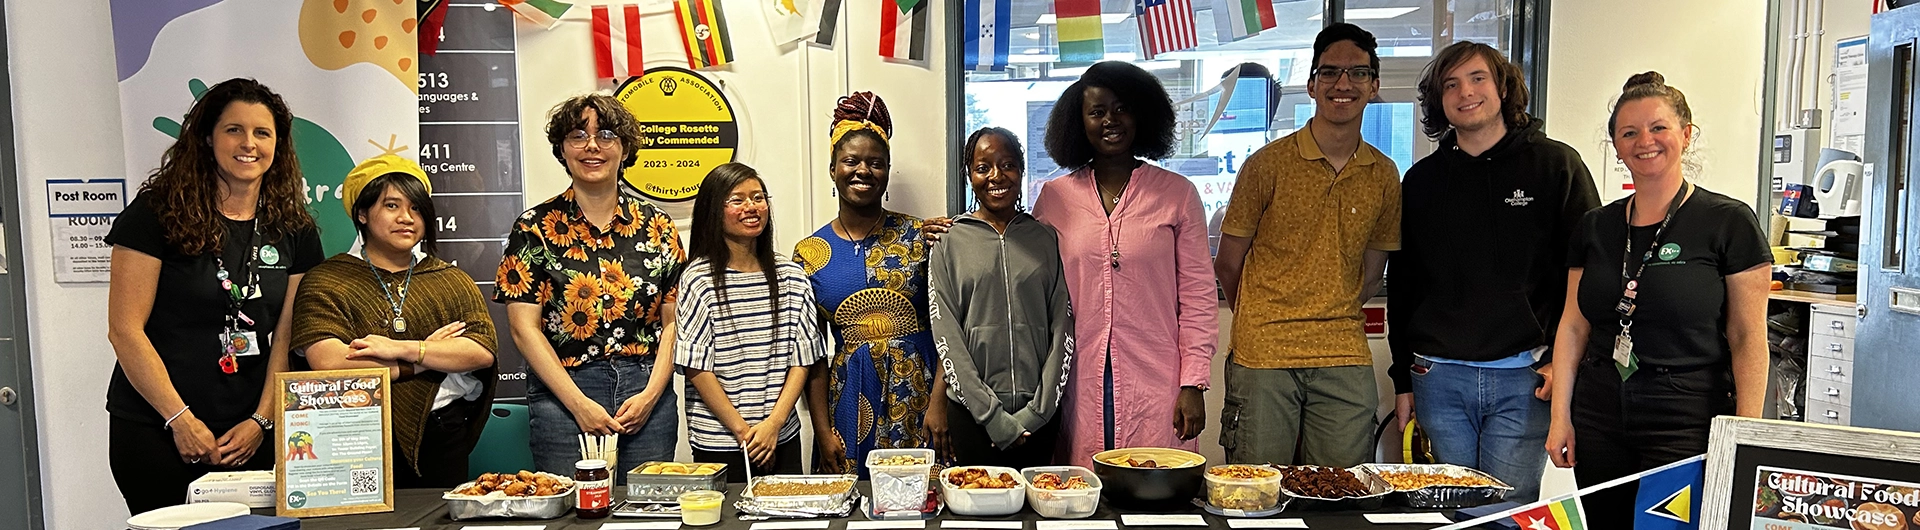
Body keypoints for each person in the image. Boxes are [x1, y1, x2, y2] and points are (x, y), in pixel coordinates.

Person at [1544, 72, 1770, 525]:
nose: (1644, 141)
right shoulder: (1595, 227)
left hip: (1686, 415)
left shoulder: (1727, 222)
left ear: (1686, 135)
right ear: (1616, 145)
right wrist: (1559, 417)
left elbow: (1748, 336)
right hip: (1601, 410)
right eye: (1629, 132)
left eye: (1658, 127)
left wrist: (1746, 434)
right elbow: (1573, 325)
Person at [1386, 41, 1599, 502]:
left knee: (1508, 510)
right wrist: (1403, 380)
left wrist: (1562, 365)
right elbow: (1403, 287)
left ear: (1502, 86)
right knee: (1451, 512)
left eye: (1477, 78)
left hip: (1526, 379)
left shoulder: (1556, 166)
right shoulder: (1421, 182)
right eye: (1451, 84)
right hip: (1438, 378)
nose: (1466, 92)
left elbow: (1588, 276)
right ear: (1440, 101)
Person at [104, 78, 323, 513]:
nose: (249, 144)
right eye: (234, 130)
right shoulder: (155, 214)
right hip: (158, 428)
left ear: (278, 145)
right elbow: (124, 330)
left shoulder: (295, 228)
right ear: (207, 137)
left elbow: (287, 334)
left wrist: (263, 420)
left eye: (263, 133)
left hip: (252, 432)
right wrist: (179, 419)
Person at [1213, 24, 1400, 468]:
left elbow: (1372, 273)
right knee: (1256, 490)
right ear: (1311, 84)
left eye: (1357, 73)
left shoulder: (1383, 175)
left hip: (1343, 352)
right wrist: (1263, 315)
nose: (1343, 84)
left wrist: (1328, 308)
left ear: (1374, 85)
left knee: (1343, 490)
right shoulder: (1267, 165)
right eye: (1330, 72)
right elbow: (1228, 263)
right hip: (1264, 355)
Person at [1031, 61, 1216, 468]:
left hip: (1158, 377)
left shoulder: (1177, 195)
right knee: (1083, 492)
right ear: (1079, 122)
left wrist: (1194, 383)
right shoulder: (1054, 198)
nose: (1110, 121)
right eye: (1097, 112)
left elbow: (1199, 298)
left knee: (1155, 486)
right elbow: (1027, 281)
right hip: (1077, 374)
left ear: (1142, 114)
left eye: (1121, 109)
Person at [496, 94, 684, 479]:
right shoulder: (533, 227)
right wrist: (577, 403)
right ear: (562, 149)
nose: (592, 145)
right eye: (578, 135)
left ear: (625, 148)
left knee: (648, 515)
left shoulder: (659, 226)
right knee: (573, 515)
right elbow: (523, 328)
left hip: (645, 390)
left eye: (607, 134)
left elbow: (674, 324)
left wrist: (650, 396)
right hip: (563, 394)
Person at [293, 154, 499, 488]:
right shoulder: (326, 280)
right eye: (391, 206)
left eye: (416, 208)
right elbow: (329, 363)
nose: (407, 218)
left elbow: (480, 350)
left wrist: (399, 348)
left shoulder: (450, 279)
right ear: (362, 213)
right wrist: (424, 360)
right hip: (351, 435)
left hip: (442, 434)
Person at [796, 92, 951, 474]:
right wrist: (822, 428)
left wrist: (941, 403)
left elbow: (951, 329)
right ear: (832, 169)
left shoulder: (921, 237)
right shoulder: (810, 252)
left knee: (920, 506)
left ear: (887, 170)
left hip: (920, 394)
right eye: (850, 161)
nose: (863, 170)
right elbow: (812, 355)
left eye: (875, 163)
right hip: (848, 399)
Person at [927, 127, 1073, 467]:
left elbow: (1062, 328)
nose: (996, 176)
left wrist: (1037, 413)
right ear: (970, 175)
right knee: (978, 518)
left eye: (1007, 164)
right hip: (973, 419)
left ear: (1021, 170)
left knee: (1037, 516)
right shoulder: (948, 242)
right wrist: (992, 417)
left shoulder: (1045, 239)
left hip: (1039, 419)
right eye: (983, 167)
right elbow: (947, 335)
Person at [675, 163, 825, 483]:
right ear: (715, 210)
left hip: (780, 437)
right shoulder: (697, 278)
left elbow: (803, 361)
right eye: (737, 199)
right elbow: (697, 368)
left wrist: (773, 425)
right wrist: (744, 432)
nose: (751, 207)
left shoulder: (792, 277)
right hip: (719, 440)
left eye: (758, 197)